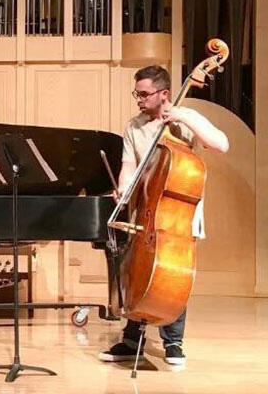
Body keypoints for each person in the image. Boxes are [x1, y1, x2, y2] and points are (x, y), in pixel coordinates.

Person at [98, 65, 229, 367]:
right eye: (137, 94)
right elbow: (129, 165)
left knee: (172, 274)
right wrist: (123, 189)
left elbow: (221, 144)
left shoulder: (186, 119)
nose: (139, 100)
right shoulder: (134, 126)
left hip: (178, 213)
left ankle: (173, 342)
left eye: (144, 94)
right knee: (137, 270)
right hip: (145, 208)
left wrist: (182, 117)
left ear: (164, 93)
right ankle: (132, 340)